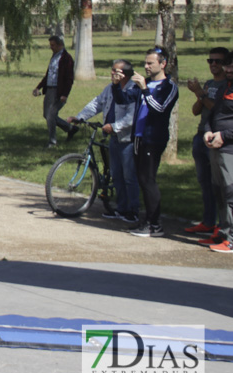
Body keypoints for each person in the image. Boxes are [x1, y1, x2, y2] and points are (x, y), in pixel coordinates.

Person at [115, 47, 178, 238]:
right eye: (145, 63)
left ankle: (155, 225)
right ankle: (147, 221)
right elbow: (124, 100)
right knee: (142, 180)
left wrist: (144, 89)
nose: (146, 66)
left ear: (163, 64)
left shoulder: (168, 86)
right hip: (138, 138)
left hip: (153, 138)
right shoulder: (146, 83)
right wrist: (116, 86)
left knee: (148, 180)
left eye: (150, 63)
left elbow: (159, 109)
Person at [67, 59, 139, 222]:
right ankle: (121, 209)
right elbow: (96, 104)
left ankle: (133, 211)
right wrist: (80, 117)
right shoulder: (109, 89)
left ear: (126, 74)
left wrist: (114, 126)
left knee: (129, 176)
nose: (113, 73)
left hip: (127, 139)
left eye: (117, 71)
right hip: (113, 139)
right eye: (112, 70)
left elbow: (132, 117)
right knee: (116, 175)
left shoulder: (134, 90)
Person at [183, 47, 229, 235]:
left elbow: (219, 109)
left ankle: (223, 225)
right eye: (211, 61)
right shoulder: (209, 84)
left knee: (220, 186)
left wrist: (201, 93)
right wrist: (199, 94)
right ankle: (208, 221)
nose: (214, 64)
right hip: (201, 135)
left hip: (218, 139)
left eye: (218, 61)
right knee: (205, 183)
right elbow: (195, 111)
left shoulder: (227, 85)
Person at [203, 54, 233, 252]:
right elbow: (212, 113)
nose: (228, 70)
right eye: (227, 67)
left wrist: (224, 135)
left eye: (231, 68)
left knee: (231, 193)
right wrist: (207, 130)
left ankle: (231, 239)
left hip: (229, 147)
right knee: (219, 192)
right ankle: (222, 232)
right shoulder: (225, 87)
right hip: (215, 145)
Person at [33, 35, 77, 147]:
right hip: (50, 90)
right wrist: (39, 87)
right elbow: (48, 75)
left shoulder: (66, 59)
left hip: (59, 92)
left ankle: (52, 141)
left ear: (60, 45)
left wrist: (64, 94)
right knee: (46, 115)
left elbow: (69, 79)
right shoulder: (54, 57)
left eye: (53, 45)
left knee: (51, 115)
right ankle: (70, 128)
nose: (51, 47)